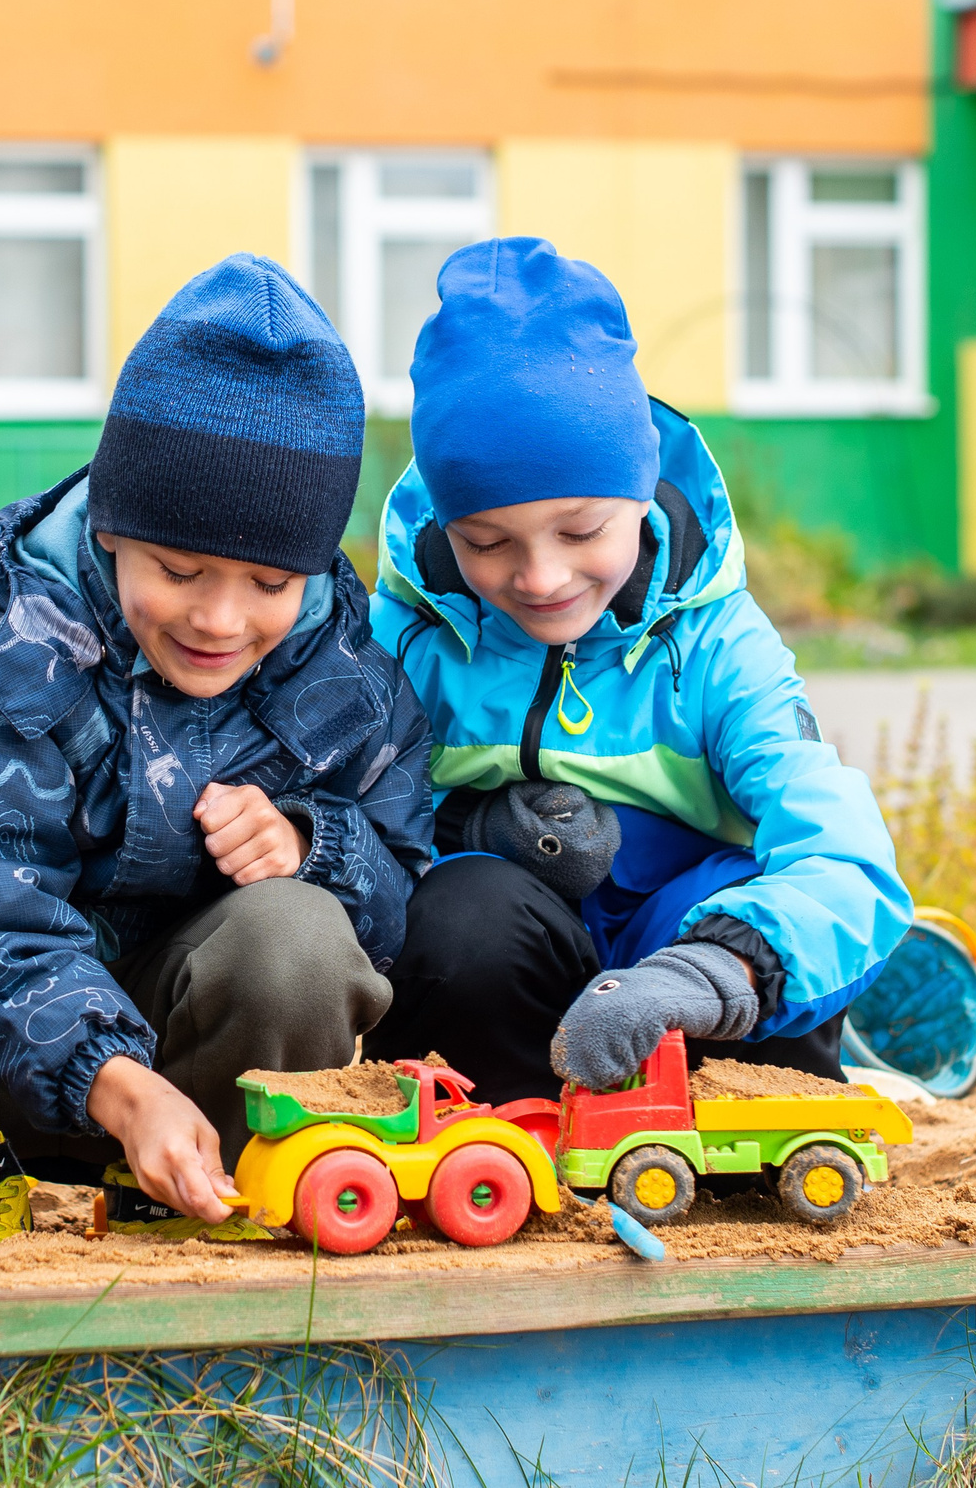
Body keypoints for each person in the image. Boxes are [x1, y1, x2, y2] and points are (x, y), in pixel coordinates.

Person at [0, 254, 432, 1241]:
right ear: (112, 528)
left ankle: (193, 1192)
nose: (220, 617)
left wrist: (313, 842)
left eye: (269, 583)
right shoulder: (21, 648)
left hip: (194, 1087)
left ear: (313, 568)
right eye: (181, 568)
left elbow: (403, 877)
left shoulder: (347, 677)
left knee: (299, 934)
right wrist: (116, 1085)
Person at [364, 236, 911, 1101]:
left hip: (680, 956)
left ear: (642, 483)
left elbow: (844, 853)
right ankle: (521, 1129)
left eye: (582, 532)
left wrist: (717, 968)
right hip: (508, 995)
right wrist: (467, 827)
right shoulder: (402, 639)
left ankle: (743, 1108)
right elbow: (334, 826)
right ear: (444, 523)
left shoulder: (718, 643)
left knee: (758, 907)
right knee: (461, 912)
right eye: (487, 543)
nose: (540, 578)